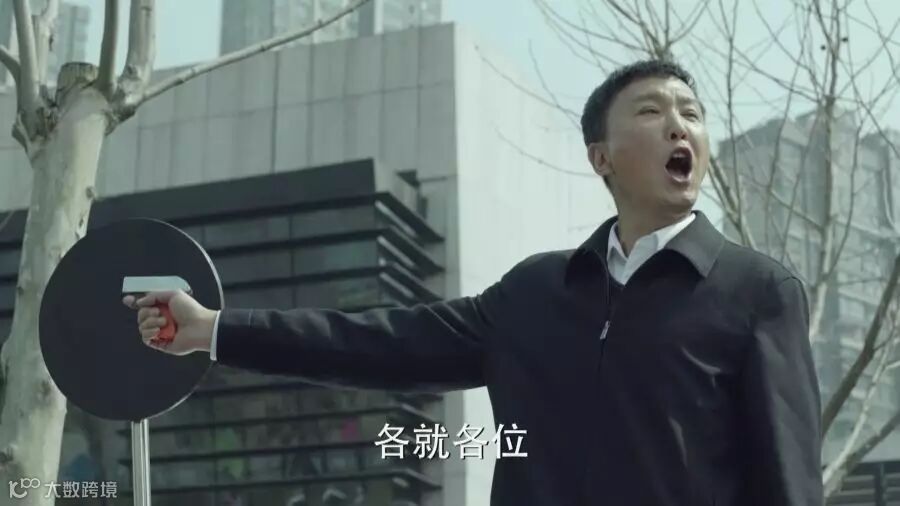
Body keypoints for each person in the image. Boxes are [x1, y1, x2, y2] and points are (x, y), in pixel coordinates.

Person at [123, 60, 824, 505]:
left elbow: (788, 484)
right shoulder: (536, 293)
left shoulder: (757, 293)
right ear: (601, 157)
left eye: (691, 114)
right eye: (651, 111)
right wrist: (212, 329)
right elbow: (375, 342)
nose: (679, 126)